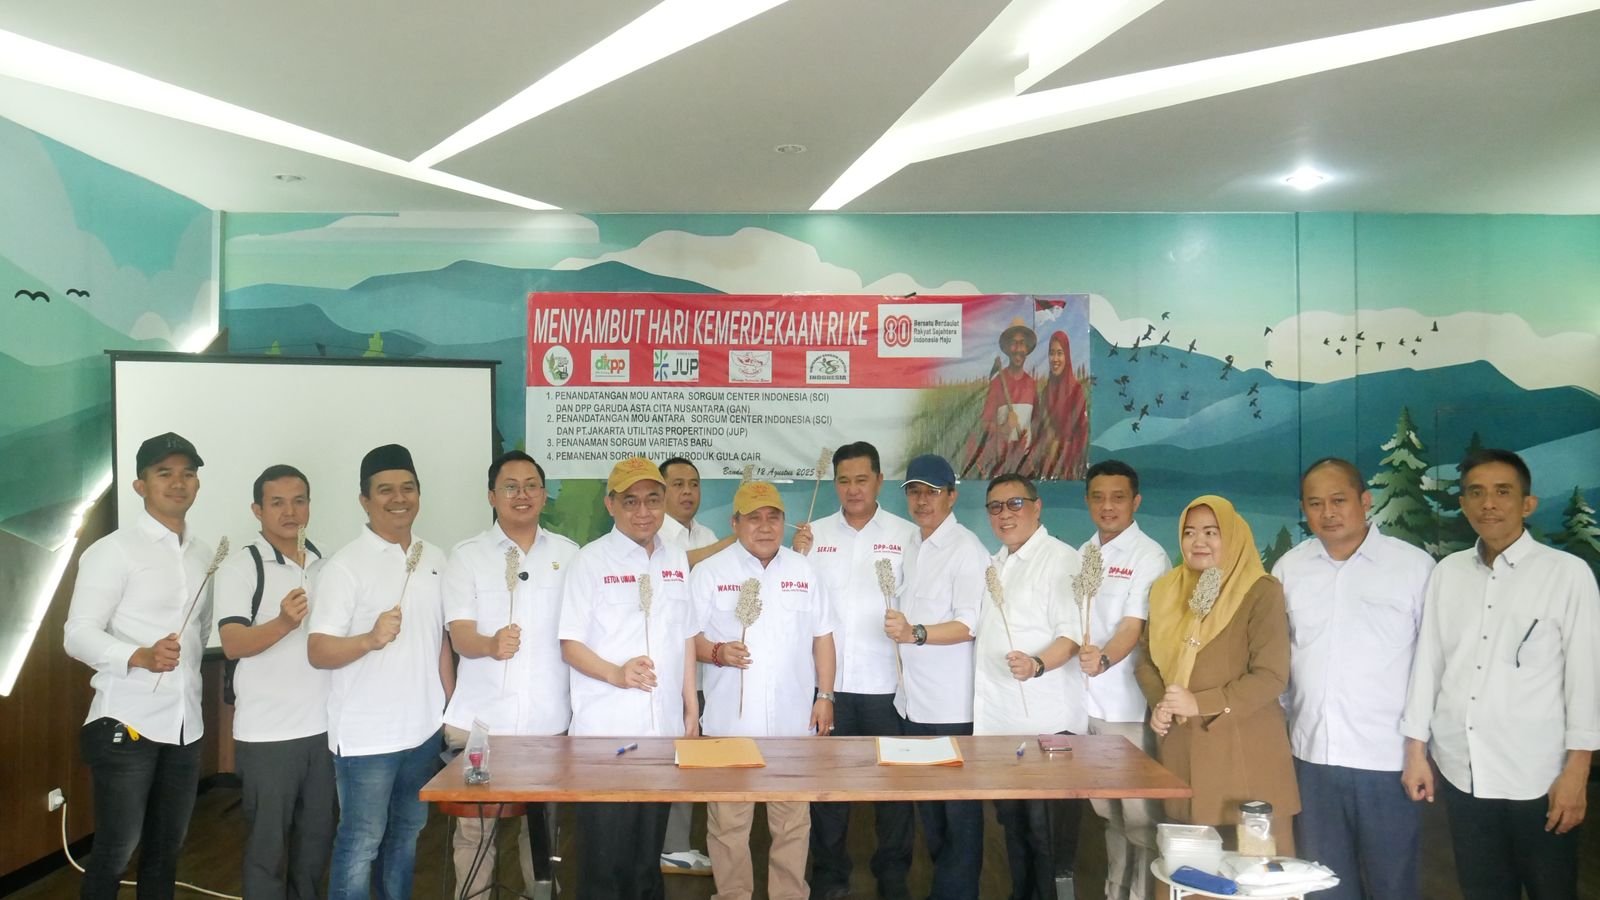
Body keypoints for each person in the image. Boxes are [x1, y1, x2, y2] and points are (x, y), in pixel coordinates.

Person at [1401, 448, 1599, 899]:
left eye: (1502, 492)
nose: (1488, 503)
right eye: (1476, 492)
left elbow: (1585, 681)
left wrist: (1577, 773)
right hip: (1463, 770)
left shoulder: (1567, 575)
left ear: (1527, 504)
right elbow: (1429, 664)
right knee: (1484, 890)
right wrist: (1415, 751)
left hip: (1539, 775)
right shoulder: (1448, 574)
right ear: (1463, 503)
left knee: (1552, 890)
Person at [1273, 458, 1433, 899]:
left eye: (1339, 500)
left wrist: (1419, 751)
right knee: (1323, 885)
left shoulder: (1413, 568)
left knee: (1392, 884)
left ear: (1365, 501)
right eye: (1315, 503)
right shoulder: (1289, 570)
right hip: (1312, 759)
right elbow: (1277, 660)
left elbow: (1431, 665)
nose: (1328, 513)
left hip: (1387, 760)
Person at [64, 432, 213, 900]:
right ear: (140, 485)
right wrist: (139, 656)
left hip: (185, 724)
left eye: (188, 473)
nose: (178, 482)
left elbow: (201, 630)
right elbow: (76, 633)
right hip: (126, 723)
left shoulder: (204, 553)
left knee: (167, 851)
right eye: (164, 473)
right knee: (115, 850)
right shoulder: (114, 551)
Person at [307, 443, 453, 900]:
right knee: (360, 844)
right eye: (385, 490)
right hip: (367, 739)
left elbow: (440, 643)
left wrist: (449, 712)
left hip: (423, 731)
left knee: (406, 837)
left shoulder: (434, 558)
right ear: (364, 500)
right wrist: (368, 639)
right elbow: (318, 650)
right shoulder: (344, 566)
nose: (399, 498)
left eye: (408, 488)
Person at [558, 456, 700, 899]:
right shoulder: (589, 561)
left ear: (664, 503)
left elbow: (686, 635)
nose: (643, 511)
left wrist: (691, 706)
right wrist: (616, 674)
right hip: (607, 737)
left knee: (646, 862)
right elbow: (570, 645)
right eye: (631, 501)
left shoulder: (675, 559)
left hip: (662, 733)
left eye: (652, 500)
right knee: (605, 863)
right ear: (611, 505)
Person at [692, 480, 837, 900]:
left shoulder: (804, 571)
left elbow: (823, 637)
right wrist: (717, 651)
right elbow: (686, 640)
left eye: (773, 517)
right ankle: (733, 895)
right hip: (729, 724)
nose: (765, 526)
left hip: (793, 723)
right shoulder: (710, 572)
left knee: (793, 823)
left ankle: (789, 894)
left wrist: (825, 696)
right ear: (734, 523)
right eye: (753, 518)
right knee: (728, 825)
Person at [441, 451, 577, 897]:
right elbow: (460, 636)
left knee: (542, 838)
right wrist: (489, 645)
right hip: (481, 724)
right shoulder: (466, 556)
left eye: (531, 485)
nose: (522, 494)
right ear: (491, 496)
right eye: (511, 486)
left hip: (547, 723)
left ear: (543, 494)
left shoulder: (569, 555)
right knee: (475, 835)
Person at [1135, 495, 1299, 854]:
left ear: (1232, 535)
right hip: (1183, 750)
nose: (1199, 542)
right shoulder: (1165, 590)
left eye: (1211, 532)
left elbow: (1271, 675)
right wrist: (1161, 703)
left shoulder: (1259, 591)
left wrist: (1200, 703)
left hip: (1245, 754)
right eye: (1190, 532)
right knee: (1191, 867)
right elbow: (1145, 660)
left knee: (1255, 867)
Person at [791, 441, 918, 900]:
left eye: (862, 479)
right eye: (843, 480)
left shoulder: (907, 535)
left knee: (894, 788)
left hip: (888, 685)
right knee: (828, 790)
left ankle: (893, 875)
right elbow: (798, 603)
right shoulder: (813, 535)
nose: (852, 489)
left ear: (880, 481)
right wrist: (795, 555)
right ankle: (829, 877)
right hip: (829, 688)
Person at [215, 464, 334, 900]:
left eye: (299, 501)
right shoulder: (242, 567)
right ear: (257, 510)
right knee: (269, 852)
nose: (290, 512)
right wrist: (284, 622)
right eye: (277, 503)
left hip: (324, 730)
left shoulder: (325, 565)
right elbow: (232, 643)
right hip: (268, 735)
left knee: (315, 846)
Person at [977, 473, 1086, 900]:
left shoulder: (1060, 559)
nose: (1005, 514)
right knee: (1015, 829)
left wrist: (1037, 665)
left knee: (1047, 840)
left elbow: (1072, 636)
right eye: (995, 507)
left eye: (1015, 504)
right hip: (1002, 725)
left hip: (1047, 725)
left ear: (1037, 507)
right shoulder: (995, 562)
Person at [883, 454, 986, 900]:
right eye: (914, 491)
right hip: (913, 704)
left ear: (952, 496)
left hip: (951, 707)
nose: (922, 500)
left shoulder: (966, 550)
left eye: (932, 492)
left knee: (958, 814)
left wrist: (916, 633)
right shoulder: (913, 542)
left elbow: (969, 624)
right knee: (931, 811)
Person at [1075, 461, 1168, 900]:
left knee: (1140, 820)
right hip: (1086, 710)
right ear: (1087, 501)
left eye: (1118, 497)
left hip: (1127, 710)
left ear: (1136, 501)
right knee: (1108, 815)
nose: (1107, 506)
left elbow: (1133, 626)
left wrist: (1104, 659)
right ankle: (1116, 893)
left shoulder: (1149, 556)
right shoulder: (1083, 553)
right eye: (1098, 497)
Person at [656, 455, 730, 876]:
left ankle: (676, 843)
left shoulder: (706, 533)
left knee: (690, 757)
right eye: (678, 484)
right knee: (670, 758)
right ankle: (671, 846)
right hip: (664, 672)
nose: (687, 492)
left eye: (694, 484)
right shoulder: (653, 533)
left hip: (702, 669)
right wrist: (731, 543)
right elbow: (679, 565)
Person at [963, 319, 1039, 478]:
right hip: (1002, 461)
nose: (1018, 349)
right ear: (1007, 348)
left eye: (1022, 344)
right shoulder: (998, 383)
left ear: (1027, 348)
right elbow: (985, 424)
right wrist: (1004, 428)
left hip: (1024, 463)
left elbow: (1037, 423)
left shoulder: (1032, 384)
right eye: (1014, 343)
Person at [1021, 330, 1088, 481]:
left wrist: (1060, 447)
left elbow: (1081, 435)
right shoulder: (1046, 392)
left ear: (1067, 356)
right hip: (1046, 469)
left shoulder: (1076, 391)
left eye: (1060, 353)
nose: (1055, 359)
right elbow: (1040, 430)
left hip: (1069, 471)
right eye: (1051, 353)